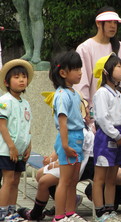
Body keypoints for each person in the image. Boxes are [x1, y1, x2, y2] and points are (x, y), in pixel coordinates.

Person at [17, 99, 93, 221]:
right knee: (40, 173)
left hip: (76, 165)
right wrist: (51, 159)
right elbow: (59, 146)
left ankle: (48, 213)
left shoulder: (81, 131)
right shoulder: (67, 126)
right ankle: (63, 204)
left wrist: (55, 163)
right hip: (67, 161)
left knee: (44, 181)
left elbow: (75, 153)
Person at [92, 53, 121, 221]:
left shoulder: (117, 92)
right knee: (100, 177)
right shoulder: (102, 93)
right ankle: (100, 212)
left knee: (112, 177)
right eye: (118, 66)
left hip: (118, 136)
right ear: (106, 71)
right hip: (106, 137)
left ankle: (110, 210)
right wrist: (116, 136)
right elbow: (102, 118)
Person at [48, 50, 87, 222]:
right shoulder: (62, 95)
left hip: (77, 138)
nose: (80, 72)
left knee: (73, 180)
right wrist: (64, 146)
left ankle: (70, 213)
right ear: (63, 73)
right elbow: (62, 123)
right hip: (69, 139)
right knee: (64, 180)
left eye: (80, 68)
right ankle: (59, 216)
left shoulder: (73, 93)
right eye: (76, 69)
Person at [75, 6, 121, 107]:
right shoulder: (85, 48)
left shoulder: (120, 47)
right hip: (96, 111)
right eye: (109, 21)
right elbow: (82, 82)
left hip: (120, 109)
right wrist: (84, 106)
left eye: (115, 22)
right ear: (98, 23)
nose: (113, 26)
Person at [0, 59, 34, 221]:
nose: (21, 80)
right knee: (7, 180)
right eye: (16, 77)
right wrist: (11, 147)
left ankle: (11, 211)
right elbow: (2, 126)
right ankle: (2, 212)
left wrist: (29, 146)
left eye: (23, 76)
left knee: (15, 181)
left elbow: (27, 127)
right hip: (7, 150)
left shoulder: (25, 103)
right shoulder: (5, 101)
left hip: (21, 151)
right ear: (7, 82)